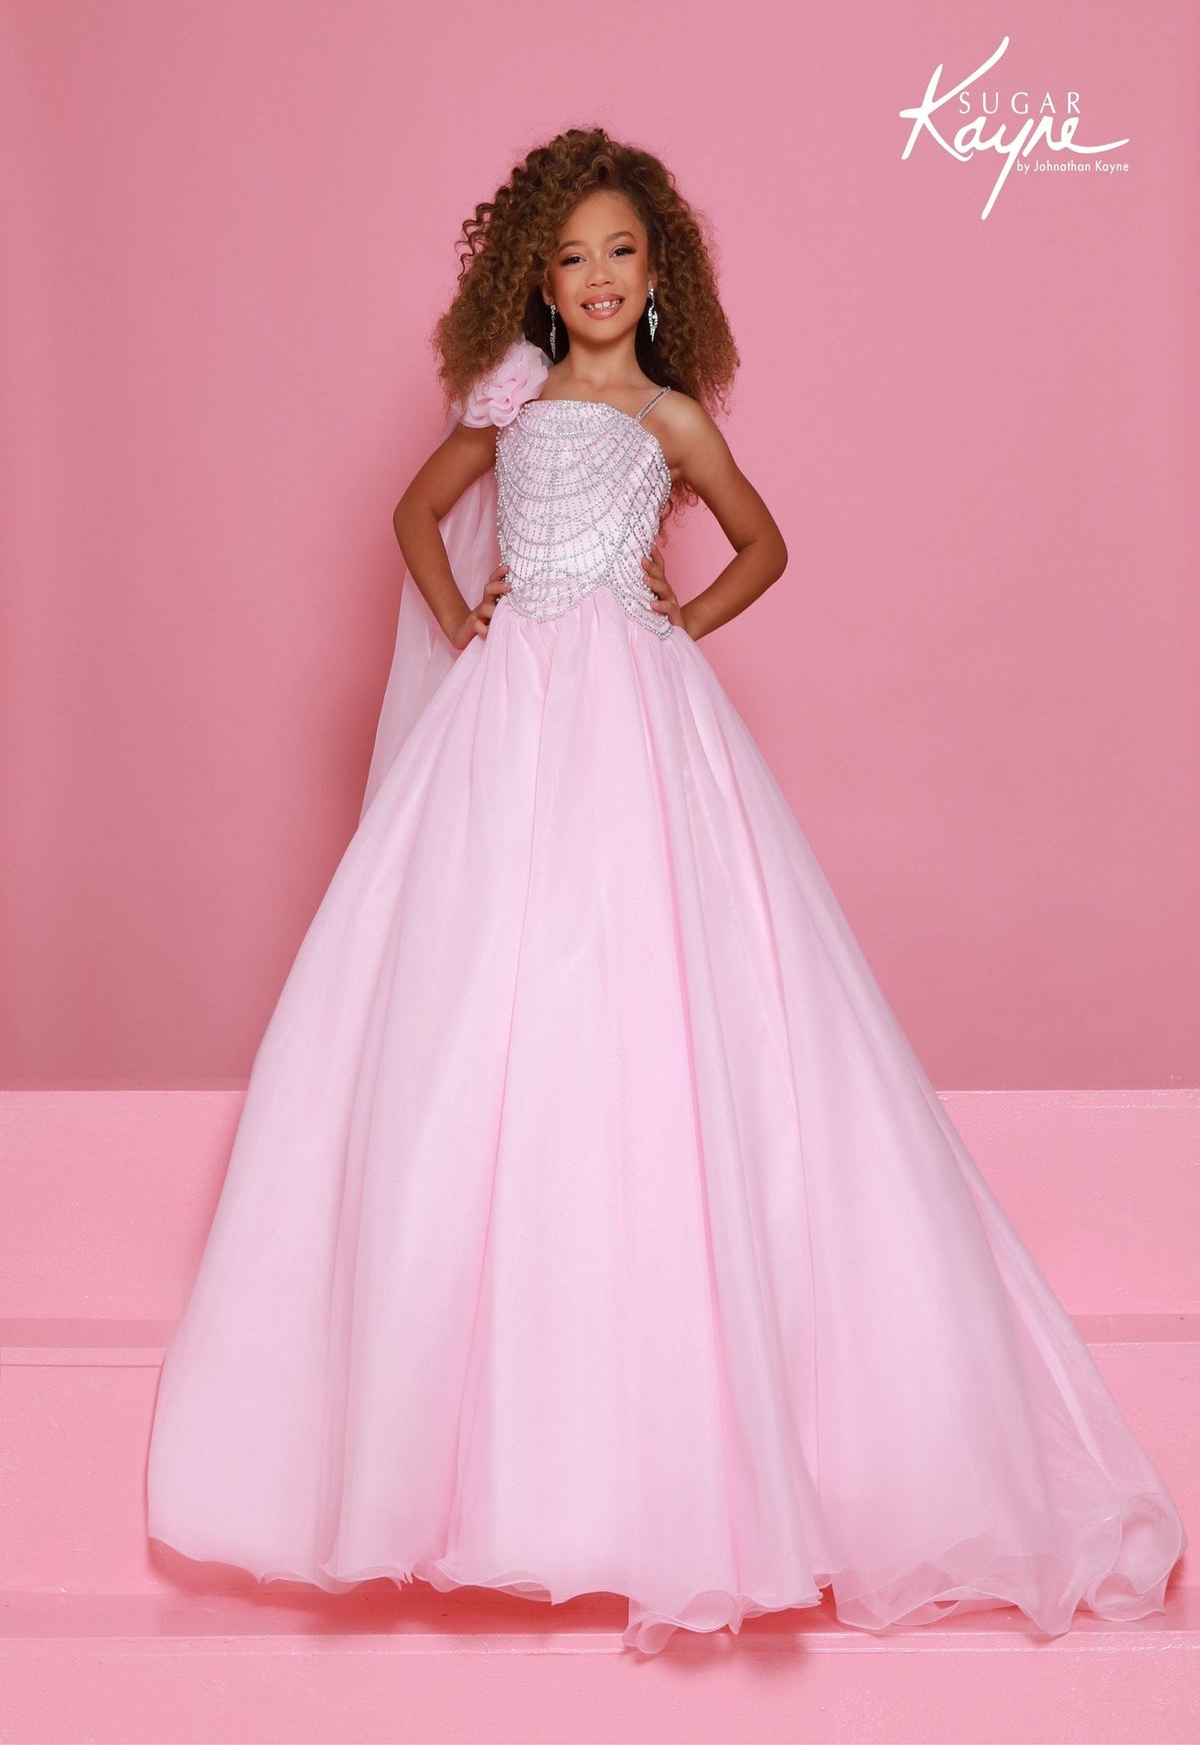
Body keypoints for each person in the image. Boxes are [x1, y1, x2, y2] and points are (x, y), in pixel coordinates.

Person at [146, 126, 1186, 1657]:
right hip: (512, 709)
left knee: (651, 984)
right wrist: (463, 614)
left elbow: (766, 544)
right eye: (570, 258)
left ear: (660, 273)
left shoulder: (672, 416)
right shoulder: (509, 402)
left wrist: (678, 620)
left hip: (636, 710)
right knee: (481, 990)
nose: (598, 278)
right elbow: (413, 516)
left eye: (621, 253)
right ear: (534, 282)